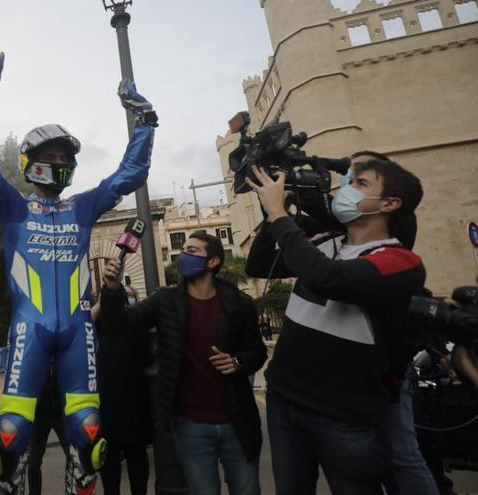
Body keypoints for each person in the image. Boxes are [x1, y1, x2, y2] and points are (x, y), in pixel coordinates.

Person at [0, 46, 158, 495]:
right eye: (52, 154)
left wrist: (145, 122)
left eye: (66, 156)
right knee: (8, 443)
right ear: (31, 160)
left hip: (77, 332)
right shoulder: (11, 205)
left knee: (89, 439)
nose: (61, 162)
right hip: (29, 329)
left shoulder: (83, 206)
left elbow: (132, 174)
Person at [244, 158, 425, 494]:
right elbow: (258, 265)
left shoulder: (400, 261)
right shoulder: (326, 240)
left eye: (360, 184)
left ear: (389, 203)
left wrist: (281, 216)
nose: (346, 189)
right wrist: (271, 212)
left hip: (341, 415)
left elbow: (329, 279)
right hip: (285, 399)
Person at [100, 230, 267, 495]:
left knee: (247, 490)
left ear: (212, 262)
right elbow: (123, 323)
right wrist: (111, 290)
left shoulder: (237, 304)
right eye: (184, 251)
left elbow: (258, 352)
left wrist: (238, 362)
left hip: (237, 423)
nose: (183, 257)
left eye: (192, 251)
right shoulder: (164, 300)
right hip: (191, 427)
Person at [95, 285, 152, 495]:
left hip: (136, 402)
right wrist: (102, 303)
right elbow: (82, 324)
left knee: (137, 455)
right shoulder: (101, 323)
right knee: (109, 459)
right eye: (123, 297)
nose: (126, 300)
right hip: (107, 403)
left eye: (130, 297)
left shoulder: (139, 322)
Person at [27, 366, 67, 494]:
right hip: (40, 414)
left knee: (74, 458)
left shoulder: (63, 350)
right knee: (33, 462)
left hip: (62, 413)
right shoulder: (37, 349)